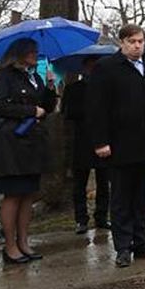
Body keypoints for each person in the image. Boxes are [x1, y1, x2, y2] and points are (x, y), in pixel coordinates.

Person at [87, 24, 145, 268]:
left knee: (142, 196)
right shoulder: (106, 68)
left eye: (141, 41)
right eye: (132, 41)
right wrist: (100, 141)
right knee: (121, 197)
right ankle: (123, 246)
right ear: (122, 42)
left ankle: (143, 241)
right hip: (119, 145)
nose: (137, 45)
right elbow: (97, 108)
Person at [0, 38, 58, 265]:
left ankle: (24, 241)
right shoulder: (4, 76)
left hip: (32, 144)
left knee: (28, 195)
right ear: (20, 53)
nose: (36, 54)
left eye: (37, 51)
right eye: (32, 51)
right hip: (11, 144)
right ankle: (10, 246)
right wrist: (29, 110)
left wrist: (49, 88)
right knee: (13, 194)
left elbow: (45, 108)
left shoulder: (34, 76)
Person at [62, 55, 110, 233]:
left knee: (104, 182)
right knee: (79, 183)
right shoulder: (74, 89)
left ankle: (102, 216)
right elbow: (68, 113)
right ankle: (81, 219)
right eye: (90, 67)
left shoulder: (106, 89)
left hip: (103, 140)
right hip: (82, 141)